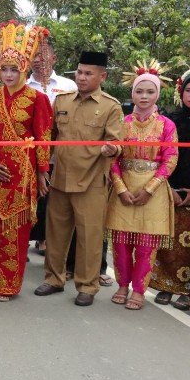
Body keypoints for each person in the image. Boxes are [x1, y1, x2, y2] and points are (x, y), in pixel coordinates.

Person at [0, 21, 53, 301]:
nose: (8, 74)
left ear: (24, 68)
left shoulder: (38, 99)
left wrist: (42, 173)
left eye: (13, 69)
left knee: (13, 232)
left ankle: (6, 285)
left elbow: (43, 138)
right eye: (3, 69)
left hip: (21, 176)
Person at [35, 51, 123, 306]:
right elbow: (50, 137)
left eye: (88, 74)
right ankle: (54, 279)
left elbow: (117, 142)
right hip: (61, 179)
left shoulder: (111, 106)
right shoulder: (62, 101)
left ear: (102, 77)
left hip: (91, 182)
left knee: (89, 237)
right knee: (55, 234)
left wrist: (112, 149)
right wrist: (42, 169)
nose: (82, 78)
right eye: (79, 72)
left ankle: (87, 286)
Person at [106, 65, 177, 310]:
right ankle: (122, 285)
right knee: (121, 244)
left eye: (149, 91)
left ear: (157, 94)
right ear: (132, 93)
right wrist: (120, 188)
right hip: (123, 187)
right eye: (139, 91)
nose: (144, 96)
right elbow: (113, 159)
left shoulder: (167, 125)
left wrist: (149, 189)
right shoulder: (122, 123)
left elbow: (171, 159)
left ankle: (139, 290)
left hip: (153, 192)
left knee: (146, 245)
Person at [26, 35, 80, 257]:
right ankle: (30, 241)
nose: (38, 60)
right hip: (30, 155)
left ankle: (52, 244)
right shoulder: (23, 85)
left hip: (60, 155)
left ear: (54, 57)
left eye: (43, 54)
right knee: (31, 199)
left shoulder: (69, 86)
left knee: (56, 201)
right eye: (34, 56)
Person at [152, 70, 190, 310]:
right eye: (189, 90)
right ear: (181, 91)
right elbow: (160, 156)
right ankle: (166, 285)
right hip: (170, 188)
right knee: (169, 241)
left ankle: (188, 291)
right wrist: (168, 187)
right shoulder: (169, 121)